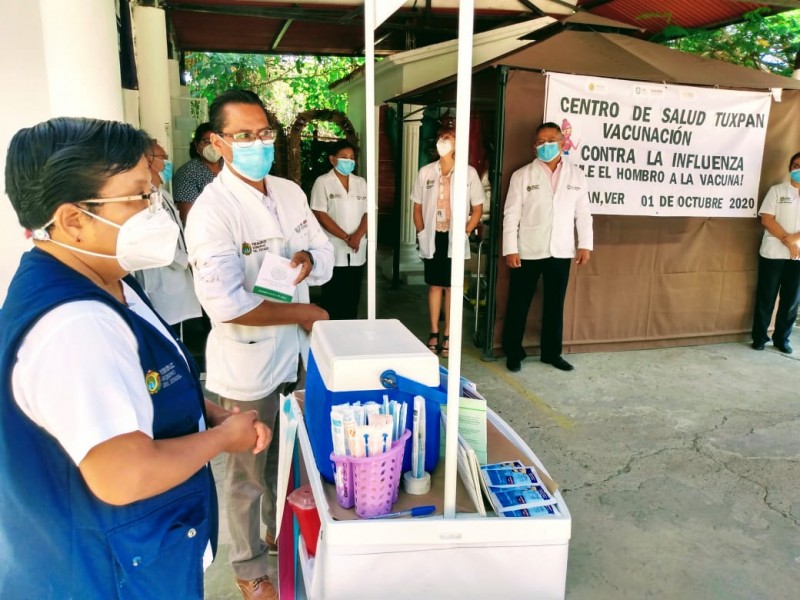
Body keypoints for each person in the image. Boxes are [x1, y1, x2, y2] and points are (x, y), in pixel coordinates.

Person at [0, 117, 270, 599]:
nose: (156, 210)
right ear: (73, 219)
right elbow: (125, 475)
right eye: (140, 197)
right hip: (106, 574)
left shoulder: (107, 279)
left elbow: (140, 381)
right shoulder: (75, 325)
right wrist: (221, 438)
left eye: (154, 191)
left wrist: (200, 412)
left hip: (141, 554)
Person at [184, 89, 333, 600]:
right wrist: (303, 311)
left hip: (295, 354)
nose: (257, 143)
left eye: (264, 132)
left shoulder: (289, 191)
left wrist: (309, 261)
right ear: (217, 143)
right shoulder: (212, 210)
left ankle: (278, 534)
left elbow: (322, 246)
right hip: (247, 359)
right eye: (243, 135)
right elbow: (224, 303)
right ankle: (250, 567)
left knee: (291, 457)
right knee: (248, 468)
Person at [502, 121, 593, 373]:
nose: (545, 146)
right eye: (540, 142)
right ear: (534, 147)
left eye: (550, 140)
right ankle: (513, 352)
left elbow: (583, 213)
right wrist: (510, 248)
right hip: (527, 250)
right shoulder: (522, 175)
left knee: (555, 305)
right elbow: (511, 215)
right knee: (518, 304)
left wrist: (585, 244)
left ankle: (551, 353)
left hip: (561, 250)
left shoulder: (576, 175)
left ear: (562, 142)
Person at [412, 123, 484, 358]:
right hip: (434, 236)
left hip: (455, 236)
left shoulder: (468, 172)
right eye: (442, 136)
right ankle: (434, 332)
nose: (445, 140)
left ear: (457, 144)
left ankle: (450, 335)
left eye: (450, 137)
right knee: (434, 285)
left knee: (452, 287)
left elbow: (477, 209)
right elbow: (417, 207)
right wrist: (422, 232)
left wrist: (465, 232)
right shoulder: (426, 172)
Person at [134, 138, 202, 334]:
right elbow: (156, 243)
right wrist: (189, 260)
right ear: (148, 161)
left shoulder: (162, 194)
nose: (168, 163)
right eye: (164, 157)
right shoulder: (146, 199)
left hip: (176, 282)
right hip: (163, 285)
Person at [310, 139, 367, 319]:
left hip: (357, 248)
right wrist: (345, 237)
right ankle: (331, 335)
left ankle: (350, 334)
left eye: (351, 157)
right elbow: (320, 213)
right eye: (343, 157)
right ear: (332, 159)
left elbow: (369, 212)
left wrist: (357, 236)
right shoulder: (323, 182)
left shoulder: (361, 182)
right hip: (333, 247)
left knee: (353, 295)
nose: (348, 161)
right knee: (333, 296)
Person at [751, 150, 800, 354]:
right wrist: (787, 241)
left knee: (791, 300)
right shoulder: (777, 191)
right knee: (766, 296)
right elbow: (767, 219)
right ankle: (760, 337)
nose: (799, 169)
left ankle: (782, 339)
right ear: (790, 168)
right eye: (796, 165)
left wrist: (794, 239)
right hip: (773, 253)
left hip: (797, 256)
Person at [173, 122, 223, 224]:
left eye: (217, 141)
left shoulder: (229, 166)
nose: (213, 146)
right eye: (207, 141)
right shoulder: (188, 172)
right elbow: (187, 216)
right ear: (197, 144)